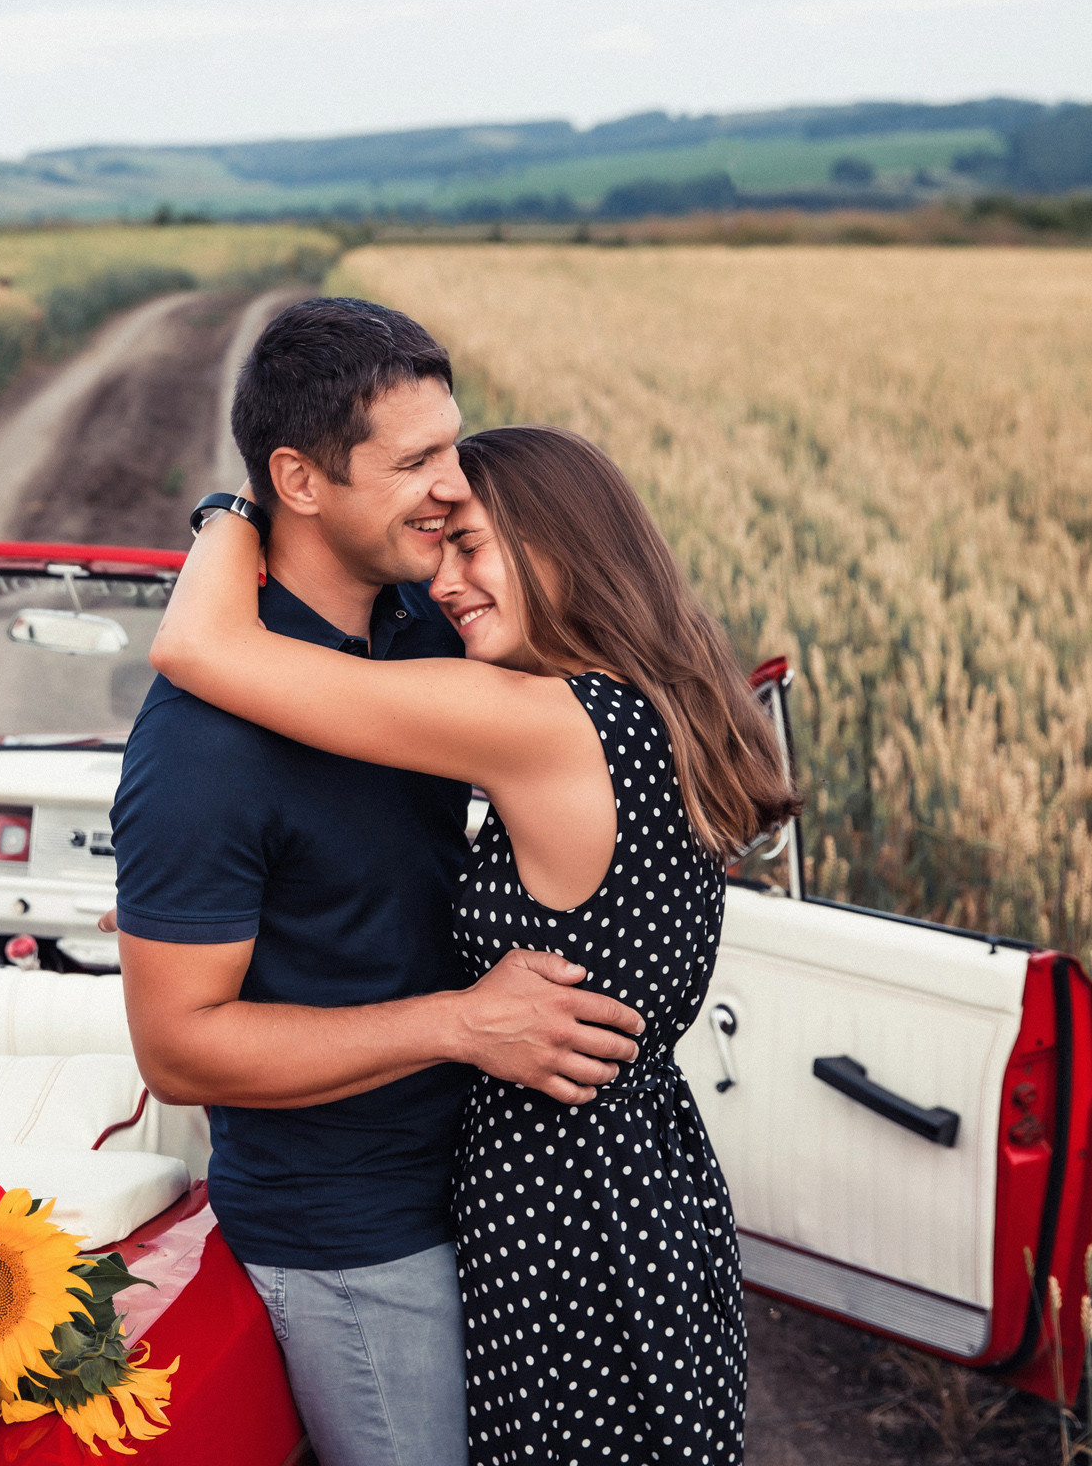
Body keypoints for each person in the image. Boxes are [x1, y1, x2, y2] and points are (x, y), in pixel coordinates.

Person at [145, 420, 799, 1464]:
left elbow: (198, 649)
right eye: (439, 549)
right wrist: (225, 899)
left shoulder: (542, 721)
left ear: (562, 546)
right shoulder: (655, 713)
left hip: (561, 1218)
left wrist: (237, 508)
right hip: (647, 1188)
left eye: (472, 546)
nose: (443, 585)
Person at [110, 300, 646, 1466]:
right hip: (353, 1235)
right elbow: (179, 1050)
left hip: (491, 1180)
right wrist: (461, 1023)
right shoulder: (202, 747)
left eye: (452, 444)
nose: (454, 486)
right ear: (299, 481)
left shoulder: (431, 619)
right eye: (414, 462)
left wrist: (227, 516)